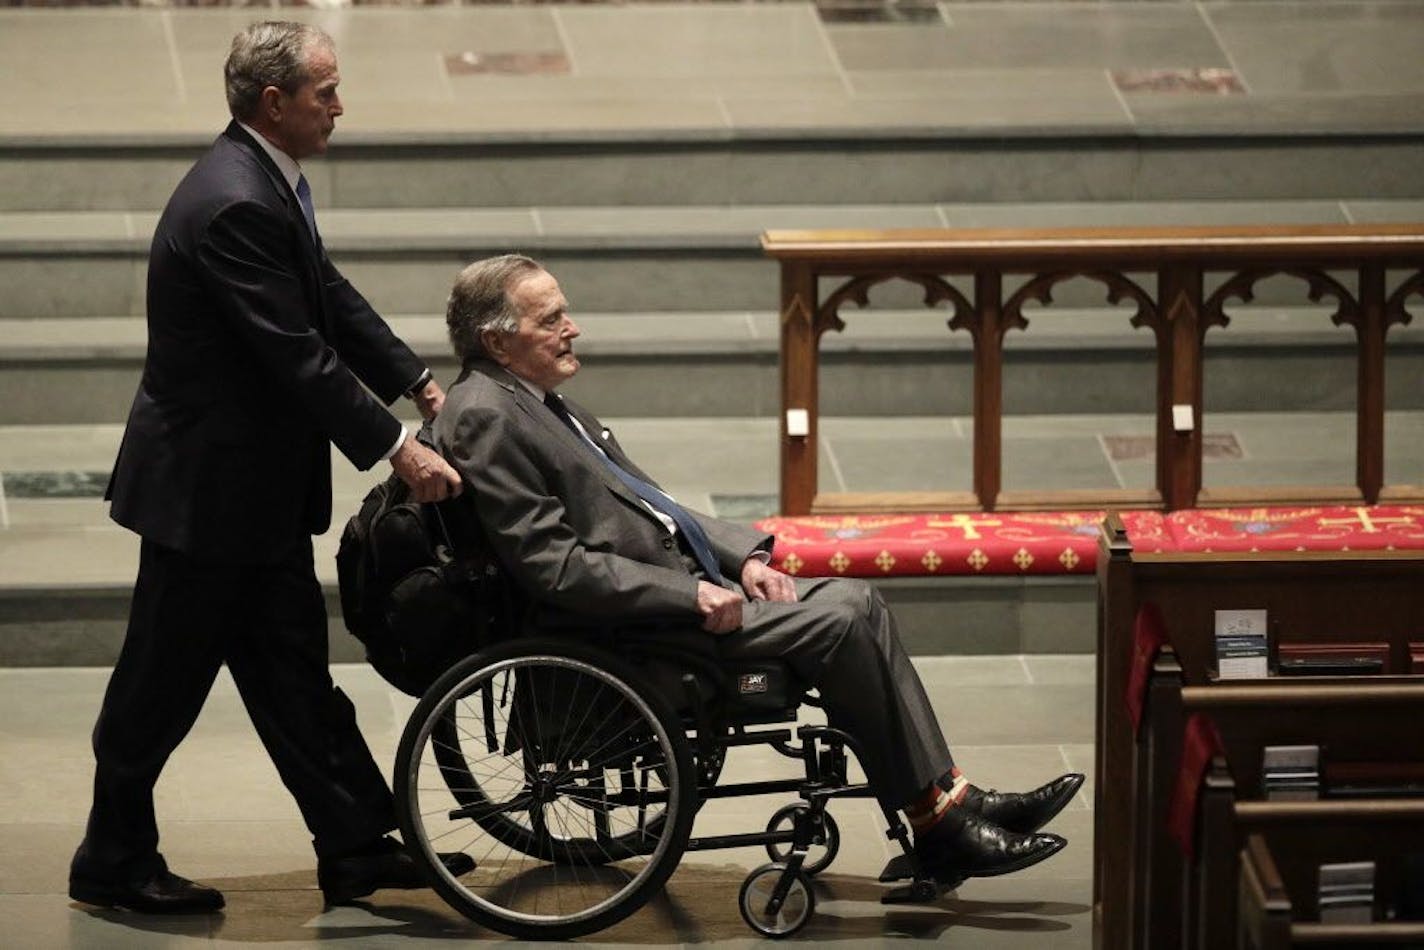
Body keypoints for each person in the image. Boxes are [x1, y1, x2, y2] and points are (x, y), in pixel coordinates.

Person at [432, 253, 1084, 886]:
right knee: (841, 623)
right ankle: (939, 825)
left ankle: (950, 800)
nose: (572, 329)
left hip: (678, 591)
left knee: (859, 602)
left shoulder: (535, 398)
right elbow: (557, 568)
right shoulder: (488, 415)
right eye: (552, 319)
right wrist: (689, 592)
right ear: (497, 338)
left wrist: (742, 558)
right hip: (635, 627)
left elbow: (651, 505)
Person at [69, 22, 471, 915]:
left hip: (252, 496)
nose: (340, 105)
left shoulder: (264, 180)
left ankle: (357, 848)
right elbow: (298, 355)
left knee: (293, 676)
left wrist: (417, 383)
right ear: (272, 103)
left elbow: (325, 293)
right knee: (157, 688)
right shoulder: (233, 202)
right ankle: (111, 860)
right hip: (206, 500)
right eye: (325, 91)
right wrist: (396, 444)